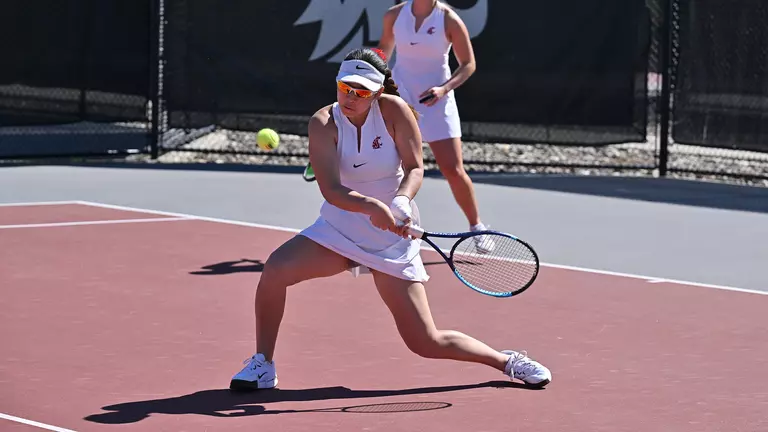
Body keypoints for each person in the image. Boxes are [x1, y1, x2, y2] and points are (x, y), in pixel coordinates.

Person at [230, 47, 551, 391]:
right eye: (345, 87)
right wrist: (372, 208)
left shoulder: (395, 111)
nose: (351, 97)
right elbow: (332, 190)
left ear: (378, 92)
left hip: (393, 234)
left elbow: (414, 168)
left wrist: (399, 202)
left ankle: (506, 361)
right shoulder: (322, 123)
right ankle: (263, 364)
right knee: (276, 269)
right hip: (341, 226)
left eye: (362, 91)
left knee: (425, 341)